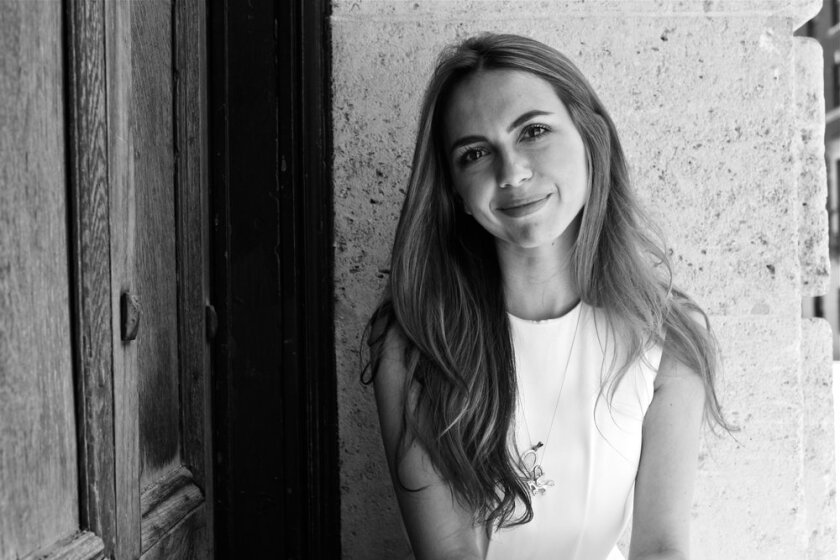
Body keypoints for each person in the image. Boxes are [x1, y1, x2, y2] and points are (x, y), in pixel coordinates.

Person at [363, 33, 730, 560]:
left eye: (533, 131)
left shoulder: (665, 338)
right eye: (475, 152)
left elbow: (661, 547)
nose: (511, 173)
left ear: (591, 139)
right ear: (456, 193)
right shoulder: (418, 343)